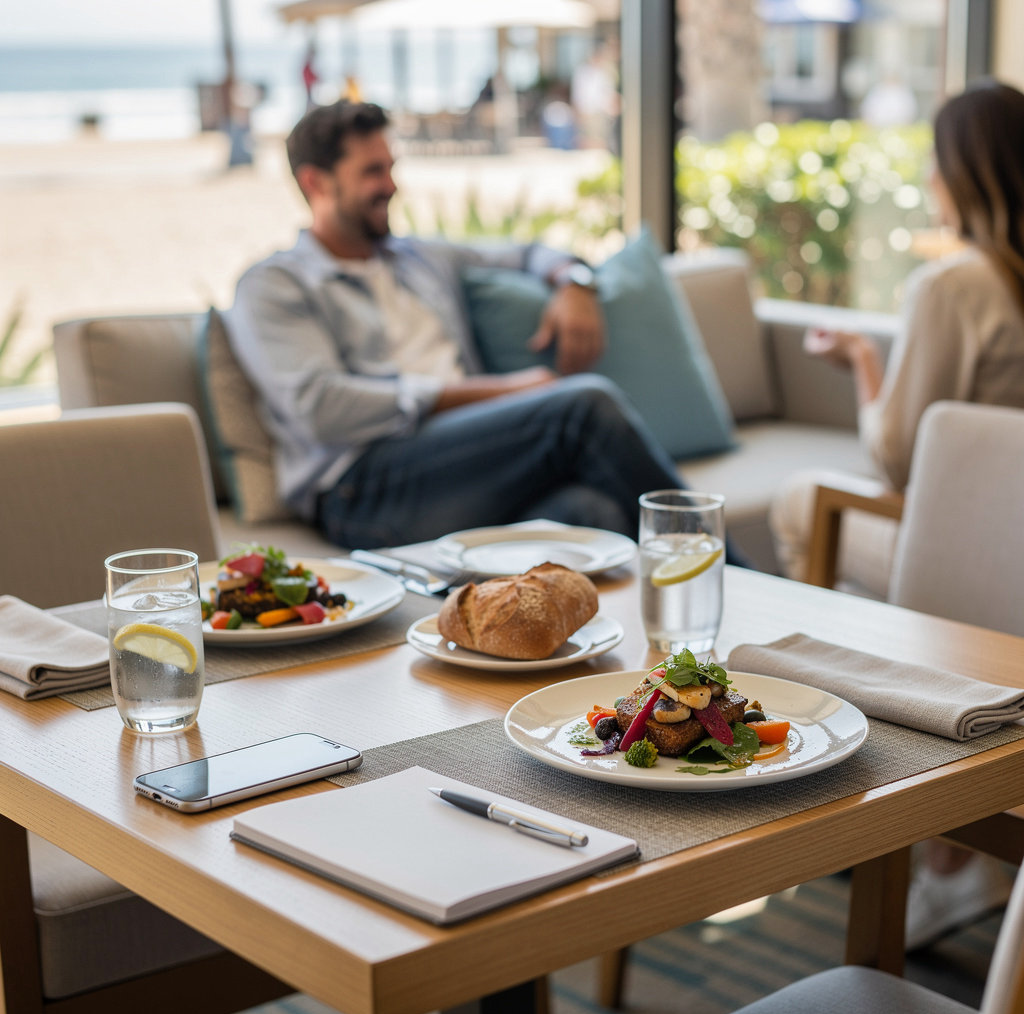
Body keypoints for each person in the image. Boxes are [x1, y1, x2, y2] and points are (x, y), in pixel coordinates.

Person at [770, 78, 1024, 947]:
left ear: (962, 171)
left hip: (972, 558)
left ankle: (890, 821)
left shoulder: (952, 286)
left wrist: (863, 365)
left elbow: (900, 456)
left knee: (808, 502)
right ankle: (958, 838)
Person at [224, 100, 710, 553]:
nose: (391, 185)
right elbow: (320, 407)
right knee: (583, 407)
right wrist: (496, 392)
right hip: (365, 488)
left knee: (590, 513)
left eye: (391, 167)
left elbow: (530, 252)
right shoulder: (276, 284)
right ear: (316, 183)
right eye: (372, 172)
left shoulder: (421, 257)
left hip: (465, 462)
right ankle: (737, 577)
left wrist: (575, 284)